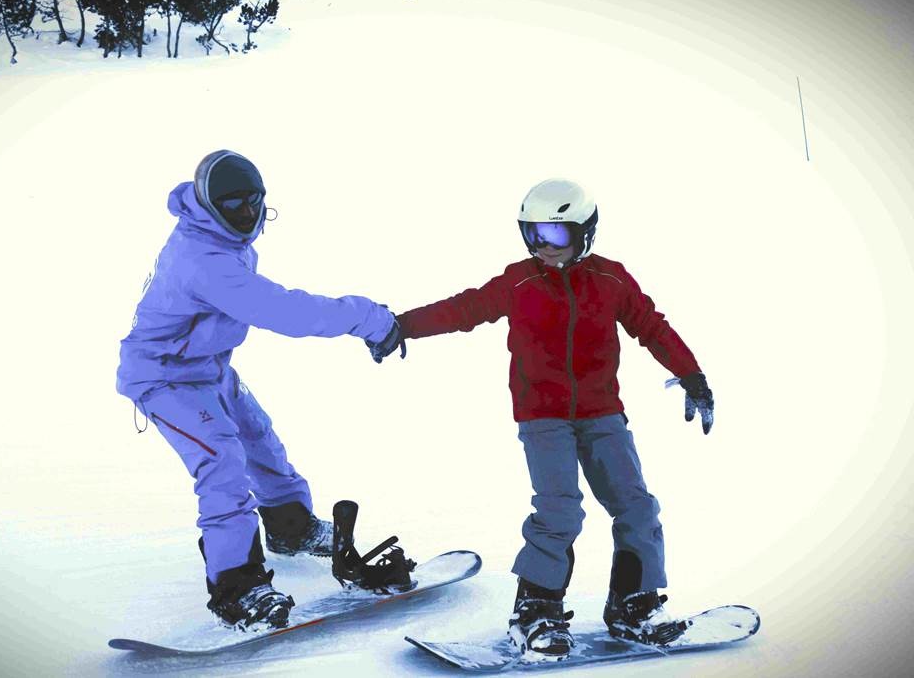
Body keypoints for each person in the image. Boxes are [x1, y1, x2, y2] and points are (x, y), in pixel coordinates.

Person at [376, 178, 714, 661]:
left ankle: (633, 607)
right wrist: (401, 325)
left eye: (555, 236)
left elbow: (651, 326)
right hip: (543, 418)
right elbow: (464, 308)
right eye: (532, 233)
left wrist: (691, 375)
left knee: (637, 507)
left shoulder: (612, 280)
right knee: (559, 511)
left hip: (603, 414)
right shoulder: (520, 282)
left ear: (585, 233)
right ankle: (535, 610)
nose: (542, 246)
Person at [116, 150, 404, 631]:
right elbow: (285, 312)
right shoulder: (203, 259)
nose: (248, 213)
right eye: (234, 205)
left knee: (259, 440)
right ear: (210, 206)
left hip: (206, 366)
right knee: (222, 458)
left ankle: (290, 529)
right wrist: (366, 317)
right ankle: (236, 585)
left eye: (254, 201)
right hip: (164, 375)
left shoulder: (221, 236)